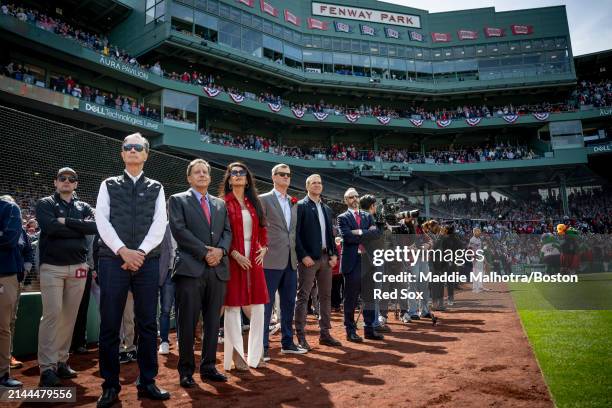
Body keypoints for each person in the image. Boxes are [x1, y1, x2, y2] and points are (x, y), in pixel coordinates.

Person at [95, 133, 169, 407]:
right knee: (110, 325)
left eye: (139, 148)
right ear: (122, 153)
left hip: (147, 261)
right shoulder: (108, 184)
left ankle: (147, 380)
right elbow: (101, 219)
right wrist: (122, 251)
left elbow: (160, 223)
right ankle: (110, 385)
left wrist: (139, 253)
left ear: (147, 154)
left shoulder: (157, 187)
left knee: (148, 324)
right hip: (113, 260)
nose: (133, 150)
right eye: (128, 147)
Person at [169, 159, 232, 388]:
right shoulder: (177, 200)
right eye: (197, 172)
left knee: (213, 322)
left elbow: (227, 231)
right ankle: (186, 371)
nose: (202, 175)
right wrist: (205, 252)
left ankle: (208, 367)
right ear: (189, 177)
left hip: (217, 270)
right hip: (190, 269)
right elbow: (179, 230)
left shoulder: (220, 204)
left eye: (205, 172)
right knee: (187, 323)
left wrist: (221, 250)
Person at [36, 167, 97, 387]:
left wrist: (66, 222)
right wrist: (78, 227)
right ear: (55, 182)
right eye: (63, 178)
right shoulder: (45, 203)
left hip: (79, 267)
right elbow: (50, 228)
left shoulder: (84, 206)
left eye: (72, 179)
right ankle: (47, 367)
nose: (67, 181)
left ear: (76, 184)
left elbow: (95, 227)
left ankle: (62, 361)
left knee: (70, 316)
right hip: (52, 267)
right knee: (52, 315)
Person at [220, 162, 269, 370]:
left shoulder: (254, 203)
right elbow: (221, 233)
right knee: (232, 307)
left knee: (258, 307)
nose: (238, 176)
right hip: (233, 258)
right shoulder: (222, 203)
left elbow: (263, 229)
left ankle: (256, 355)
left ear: (247, 179)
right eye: (234, 173)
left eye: (242, 173)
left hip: (255, 259)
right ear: (229, 179)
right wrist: (233, 253)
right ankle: (237, 356)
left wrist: (264, 247)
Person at [259, 164, 306, 362]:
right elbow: (259, 229)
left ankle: (288, 343)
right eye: (282, 174)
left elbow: (293, 232)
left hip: (290, 260)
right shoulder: (263, 199)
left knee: (288, 303)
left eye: (288, 175)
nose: (286, 177)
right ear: (273, 177)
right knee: (266, 306)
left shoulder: (293, 202)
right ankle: (262, 346)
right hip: (270, 260)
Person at [294, 174, 340, 350]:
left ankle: (325, 334)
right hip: (308, 260)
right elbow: (295, 234)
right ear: (307, 186)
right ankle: (301, 336)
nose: (317, 185)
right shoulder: (300, 206)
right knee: (303, 296)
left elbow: (331, 235)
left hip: (325, 259)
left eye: (320, 183)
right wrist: (302, 255)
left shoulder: (327, 209)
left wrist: (334, 254)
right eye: (314, 183)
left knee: (326, 297)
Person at [338, 189, 383, 342]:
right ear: (346, 200)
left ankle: (369, 329)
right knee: (350, 298)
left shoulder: (367, 216)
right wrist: (365, 234)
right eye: (351, 197)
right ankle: (350, 330)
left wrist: (357, 231)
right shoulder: (342, 217)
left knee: (369, 296)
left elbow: (376, 234)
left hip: (368, 260)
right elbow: (347, 237)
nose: (355, 199)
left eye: (357, 196)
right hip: (352, 262)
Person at [0, 195, 24, 387]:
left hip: (4, 274)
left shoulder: (9, 208)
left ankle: (2, 374)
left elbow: (9, 238)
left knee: (3, 326)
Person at [158, 222, 176, 355]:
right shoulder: (162, 227)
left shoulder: (186, 224)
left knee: (184, 309)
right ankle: (164, 341)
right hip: (168, 274)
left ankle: (184, 339)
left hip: (184, 273)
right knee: (165, 309)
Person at [470, 228, 486, 293]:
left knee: (480, 272)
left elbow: (480, 248)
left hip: (480, 256)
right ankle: (475, 287)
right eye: (478, 232)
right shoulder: (472, 239)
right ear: (475, 232)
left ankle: (480, 286)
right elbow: (470, 249)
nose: (479, 233)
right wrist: (473, 256)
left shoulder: (479, 239)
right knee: (476, 272)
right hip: (475, 257)